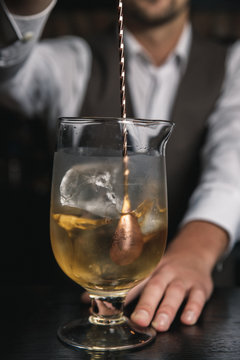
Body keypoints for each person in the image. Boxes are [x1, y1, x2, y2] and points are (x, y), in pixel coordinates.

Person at [1, 0, 240, 333]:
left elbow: (233, 163)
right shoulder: (73, 59)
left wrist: (197, 250)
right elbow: (7, 73)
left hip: (197, 317)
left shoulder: (232, 62)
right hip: (61, 306)